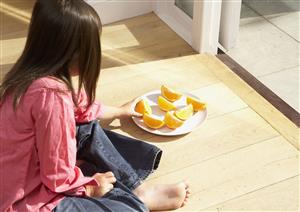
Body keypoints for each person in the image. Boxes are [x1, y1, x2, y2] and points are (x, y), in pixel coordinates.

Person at [0, 0, 191, 211]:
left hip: (28, 173)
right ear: (75, 54)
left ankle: (137, 189)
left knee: (86, 127)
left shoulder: (30, 76)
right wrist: (90, 188)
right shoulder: (52, 96)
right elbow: (57, 177)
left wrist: (122, 111)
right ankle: (135, 201)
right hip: (22, 201)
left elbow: (84, 110)